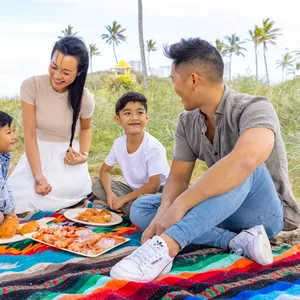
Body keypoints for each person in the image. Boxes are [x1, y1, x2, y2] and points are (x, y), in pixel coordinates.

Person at [110, 38, 300, 282]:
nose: (173, 87)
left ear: (192, 79)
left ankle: (167, 247)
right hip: (222, 211)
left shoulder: (255, 107)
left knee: (245, 168)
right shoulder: (187, 121)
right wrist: (164, 212)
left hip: (264, 213)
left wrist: (179, 208)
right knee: (143, 208)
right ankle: (235, 241)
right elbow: (178, 178)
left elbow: (245, 161)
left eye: (173, 80)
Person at [8, 36, 95, 214]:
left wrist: (84, 155)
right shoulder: (31, 86)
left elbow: (86, 129)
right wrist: (38, 176)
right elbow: (30, 135)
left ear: (79, 72)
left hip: (66, 160)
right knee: (18, 198)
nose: (57, 76)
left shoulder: (85, 98)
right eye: (54, 67)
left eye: (66, 72)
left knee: (64, 197)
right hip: (36, 155)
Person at [92, 92, 170, 215]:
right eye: (127, 113)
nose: (134, 118)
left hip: (159, 193)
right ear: (117, 119)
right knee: (97, 185)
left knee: (140, 206)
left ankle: (122, 207)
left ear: (146, 118)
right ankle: (120, 205)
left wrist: (123, 199)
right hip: (135, 191)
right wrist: (109, 194)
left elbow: (153, 186)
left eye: (139, 112)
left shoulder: (153, 148)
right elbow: (104, 171)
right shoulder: (119, 143)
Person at [0, 111, 17, 224]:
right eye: (8, 132)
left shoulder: (4, 156)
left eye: (13, 131)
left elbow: (4, 186)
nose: (14, 136)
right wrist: (9, 212)